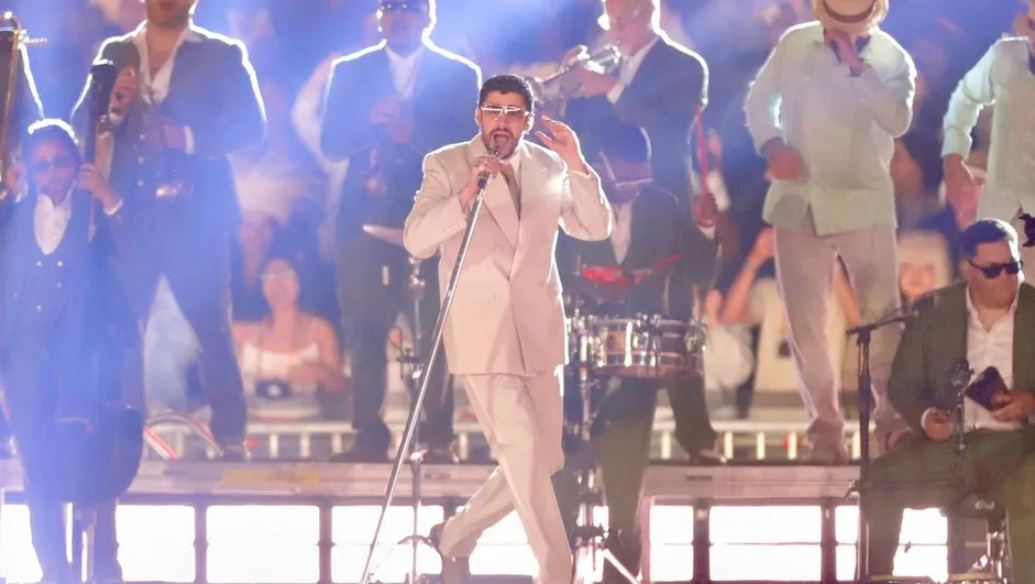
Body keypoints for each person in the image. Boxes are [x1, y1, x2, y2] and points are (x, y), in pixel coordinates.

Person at [403, 74, 611, 584]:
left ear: (528, 120)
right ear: (478, 115)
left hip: (539, 329)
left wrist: (578, 164)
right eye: (494, 110)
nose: (502, 121)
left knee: (546, 457)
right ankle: (556, 571)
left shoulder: (549, 165)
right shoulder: (447, 164)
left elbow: (595, 227)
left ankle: (455, 534)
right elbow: (416, 240)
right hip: (483, 333)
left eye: (514, 112)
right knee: (522, 450)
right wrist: (466, 195)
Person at [71, 0, 266, 459]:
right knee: (123, 329)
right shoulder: (116, 51)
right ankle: (121, 435)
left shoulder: (222, 53)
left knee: (211, 328)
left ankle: (231, 437)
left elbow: (251, 128)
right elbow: (82, 123)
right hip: (128, 214)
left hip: (198, 217)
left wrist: (189, 138)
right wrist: (114, 110)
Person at [744, 0, 916, 462]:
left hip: (865, 200)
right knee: (806, 324)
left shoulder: (893, 58)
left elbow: (898, 120)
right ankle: (824, 433)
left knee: (883, 317)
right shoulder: (794, 43)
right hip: (797, 199)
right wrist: (773, 145)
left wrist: (858, 67)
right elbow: (759, 101)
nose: (841, 29)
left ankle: (892, 424)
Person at [556, 121, 718, 582]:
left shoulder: (663, 206)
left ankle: (622, 560)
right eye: (625, 180)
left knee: (624, 502)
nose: (633, 190)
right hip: (574, 362)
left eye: (640, 180)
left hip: (635, 367)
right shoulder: (568, 205)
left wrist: (706, 228)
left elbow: (700, 273)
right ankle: (557, 562)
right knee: (559, 482)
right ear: (600, 166)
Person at [320, 0, 480, 462]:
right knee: (364, 329)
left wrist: (413, 133)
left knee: (433, 330)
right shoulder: (349, 71)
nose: (400, 16)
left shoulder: (460, 74)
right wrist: (369, 124)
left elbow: (471, 149)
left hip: (434, 216)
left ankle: (436, 436)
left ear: (429, 15)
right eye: (391, 7)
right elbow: (331, 142)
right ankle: (368, 435)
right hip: (365, 219)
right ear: (379, 15)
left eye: (410, 7)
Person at [863, 219, 1035, 581]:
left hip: (1022, 446)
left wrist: (1031, 403)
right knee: (879, 479)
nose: (1007, 278)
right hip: (953, 446)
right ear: (967, 269)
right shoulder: (934, 311)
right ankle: (877, 577)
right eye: (993, 270)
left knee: (1030, 491)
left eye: (1013, 267)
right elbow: (903, 385)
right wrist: (927, 418)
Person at [0, 120, 124, 584]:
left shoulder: (93, 211)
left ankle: (102, 566)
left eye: (60, 162)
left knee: (89, 464)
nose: (52, 172)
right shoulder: (11, 216)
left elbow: (135, 259)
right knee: (37, 471)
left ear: (76, 163)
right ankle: (55, 572)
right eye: (42, 165)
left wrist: (110, 199)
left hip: (80, 363)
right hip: (23, 362)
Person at [564, 0, 708, 209]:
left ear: (649, 12)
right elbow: (586, 131)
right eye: (609, 21)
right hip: (606, 201)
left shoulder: (686, 65)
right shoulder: (609, 68)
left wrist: (611, 88)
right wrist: (568, 86)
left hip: (662, 199)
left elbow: (668, 128)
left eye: (622, 20)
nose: (615, 30)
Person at [942, 0, 1035, 270]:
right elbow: (965, 98)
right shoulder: (1005, 56)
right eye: (1031, 25)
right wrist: (953, 158)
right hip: (1001, 212)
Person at [233, 257, 349, 423]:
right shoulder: (241, 332)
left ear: (300, 281)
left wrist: (321, 373)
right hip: (253, 431)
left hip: (306, 430)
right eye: (269, 277)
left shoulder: (319, 330)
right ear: (261, 286)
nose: (278, 284)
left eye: (286, 275)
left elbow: (343, 388)